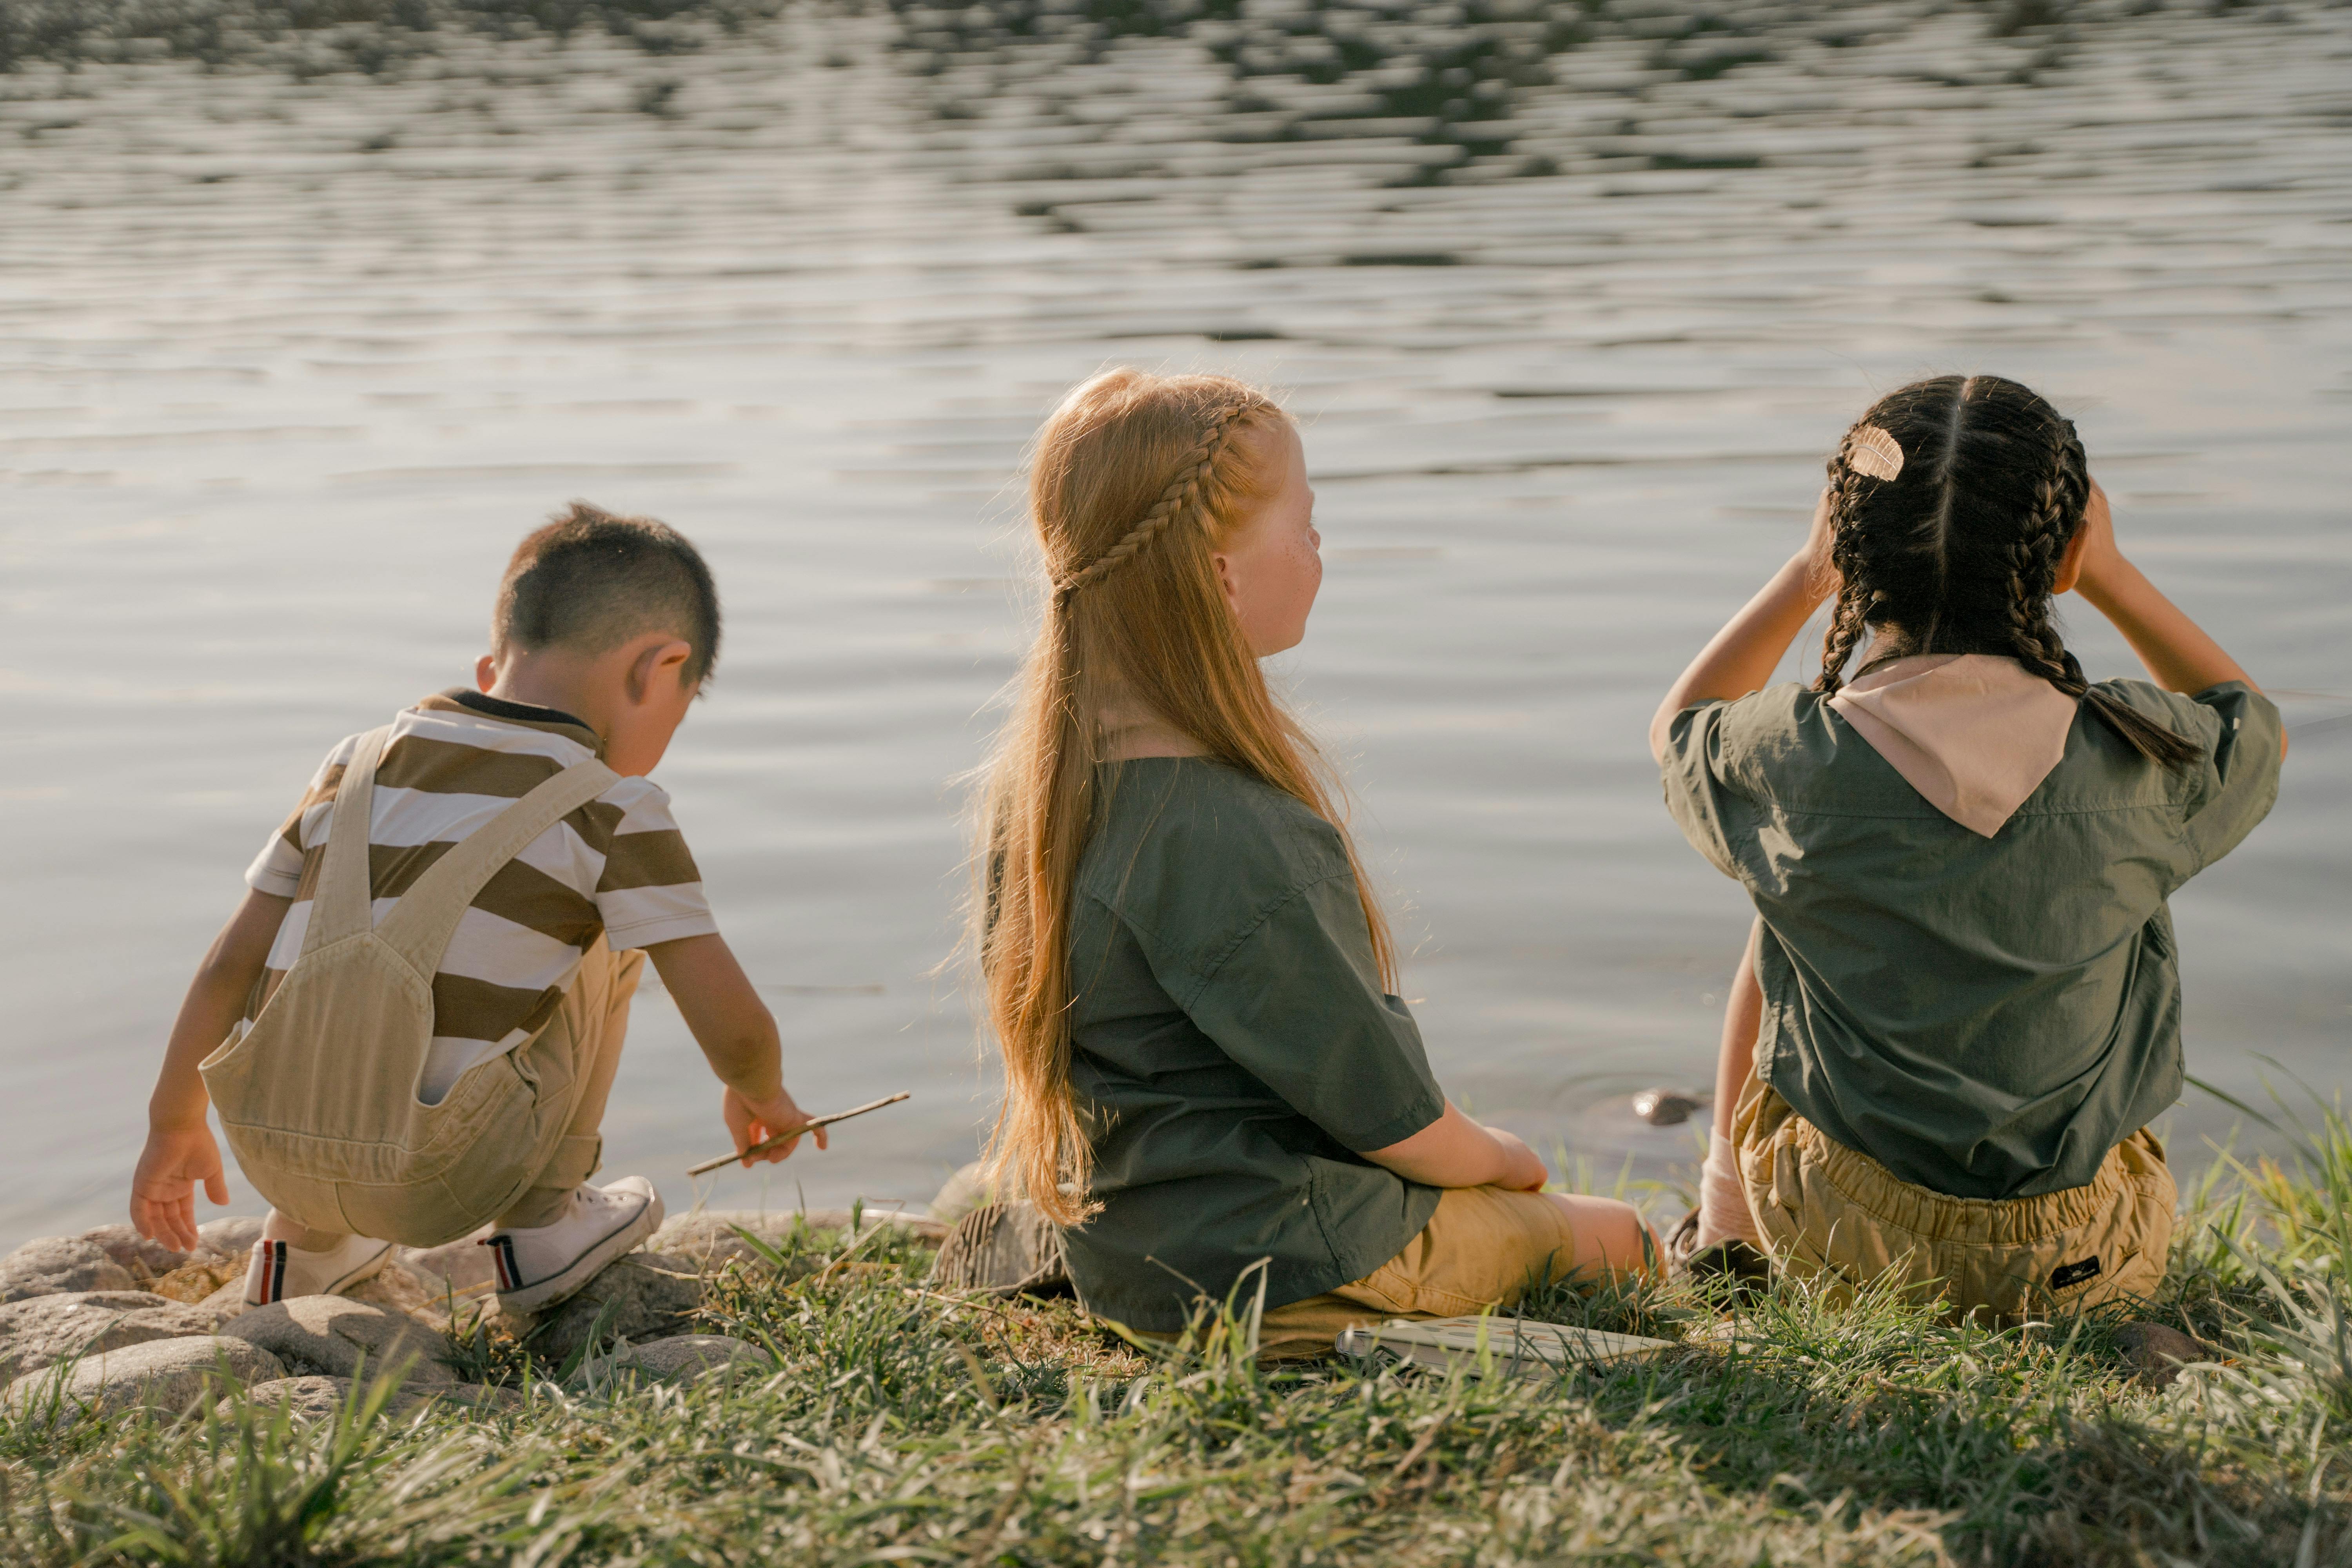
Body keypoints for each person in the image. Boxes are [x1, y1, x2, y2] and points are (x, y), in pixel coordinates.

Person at [971, 368, 1654, 1353]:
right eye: (1307, 523)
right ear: (1221, 575)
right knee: (1616, 1235)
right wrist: (1505, 1156)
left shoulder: (1038, 799)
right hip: (1280, 1257)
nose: (1321, 547)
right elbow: (1395, 1121)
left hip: (1131, 1260)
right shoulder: (1239, 829)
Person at [1653, 375, 2284, 1320]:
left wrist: (1802, 572)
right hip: (2086, 1254)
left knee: (1780, 897)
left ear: (1850, 547)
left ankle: (1728, 1232)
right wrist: (2109, 572)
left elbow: (1683, 725)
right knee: (2127, 867)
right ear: (2059, 550)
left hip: (1843, 1244)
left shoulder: (1793, 759)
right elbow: (2253, 724)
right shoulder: (2143, 751)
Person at [128, 503, 825, 1312]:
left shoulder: (352, 764)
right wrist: (762, 1091)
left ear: (492, 667)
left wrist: (173, 1125)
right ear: (658, 669)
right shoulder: (614, 809)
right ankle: (541, 1226)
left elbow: (227, 964)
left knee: (329, 929)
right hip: (446, 1174)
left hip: (271, 1150)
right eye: (683, 702)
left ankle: (304, 1242)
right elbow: (730, 1019)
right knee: (617, 936)